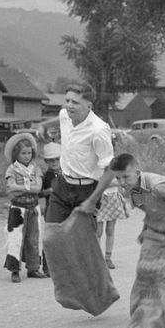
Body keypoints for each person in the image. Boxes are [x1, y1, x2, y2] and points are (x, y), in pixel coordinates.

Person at [42, 84, 120, 315]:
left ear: (89, 105)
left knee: (85, 248)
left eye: (75, 102)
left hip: (87, 191)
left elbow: (110, 169)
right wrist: (42, 127)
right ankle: (68, 293)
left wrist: (92, 200)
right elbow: (59, 123)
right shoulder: (64, 116)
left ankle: (104, 294)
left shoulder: (99, 130)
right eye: (67, 100)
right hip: (62, 185)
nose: (68, 105)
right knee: (51, 239)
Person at [109, 152, 165, 328]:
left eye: (126, 177)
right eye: (118, 178)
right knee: (144, 273)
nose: (122, 182)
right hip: (154, 230)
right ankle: (140, 319)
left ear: (137, 172)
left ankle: (160, 322)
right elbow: (150, 209)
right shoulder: (129, 189)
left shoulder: (157, 185)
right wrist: (144, 229)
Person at [3, 133, 46, 282]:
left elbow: (38, 188)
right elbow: (10, 187)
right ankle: (14, 269)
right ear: (16, 154)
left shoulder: (36, 169)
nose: (27, 156)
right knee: (16, 239)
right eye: (23, 153)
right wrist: (29, 186)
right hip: (17, 208)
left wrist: (21, 187)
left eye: (29, 153)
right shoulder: (12, 169)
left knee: (33, 238)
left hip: (33, 208)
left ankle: (33, 268)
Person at [95, 179, 129, 270]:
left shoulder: (115, 166)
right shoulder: (98, 165)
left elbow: (122, 181)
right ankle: (97, 259)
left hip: (113, 197)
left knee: (110, 230)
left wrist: (119, 184)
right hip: (99, 198)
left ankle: (108, 258)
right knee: (98, 231)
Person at [38, 142, 61, 276]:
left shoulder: (66, 174)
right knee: (50, 238)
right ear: (46, 161)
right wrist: (49, 191)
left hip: (63, 209)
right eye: (51, 160)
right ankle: (47, 266)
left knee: (63, 237)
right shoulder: (46, 176)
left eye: (57, 159)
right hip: (51, 209)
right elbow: (39, 193)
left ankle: (60, 265)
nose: (54, 163)